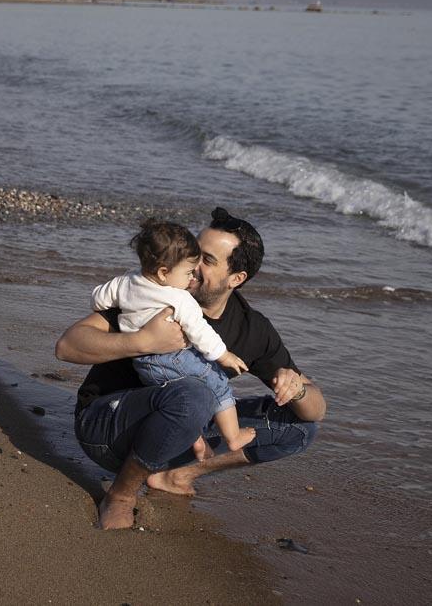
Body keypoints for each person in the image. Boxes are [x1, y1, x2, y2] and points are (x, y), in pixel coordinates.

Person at [56, 207, 327, 530]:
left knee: (299, 428)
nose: (193, 264)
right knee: (196, 393)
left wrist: (295, 387)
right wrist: (144, 341)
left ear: (236, 279)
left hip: (178, 427)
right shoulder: (154, 293)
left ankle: (174, 473)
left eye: (208, 260)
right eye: (195, 252)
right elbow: (68, 346)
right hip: (106, 427)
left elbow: (316, 407)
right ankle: (121, 495)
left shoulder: (252, 329)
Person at [90, 218, 255, 460]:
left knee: (180, 399)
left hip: (144, 365)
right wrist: (224, 355)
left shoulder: (125, 282)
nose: (191, 278)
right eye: (188, 272)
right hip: (174, 358)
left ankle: (196, 440)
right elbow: (200, 331)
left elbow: (98, 299)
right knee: (217, 383)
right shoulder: (179, 298)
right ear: (163, 272)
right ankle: (232, 437)